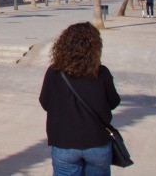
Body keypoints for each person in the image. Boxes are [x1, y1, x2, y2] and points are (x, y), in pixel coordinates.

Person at [39, 22, 121, 175]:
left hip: (64, 142)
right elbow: (114, 101)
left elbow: (45, 102)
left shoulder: (54, 72)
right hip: (96, 141)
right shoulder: (101, 73)